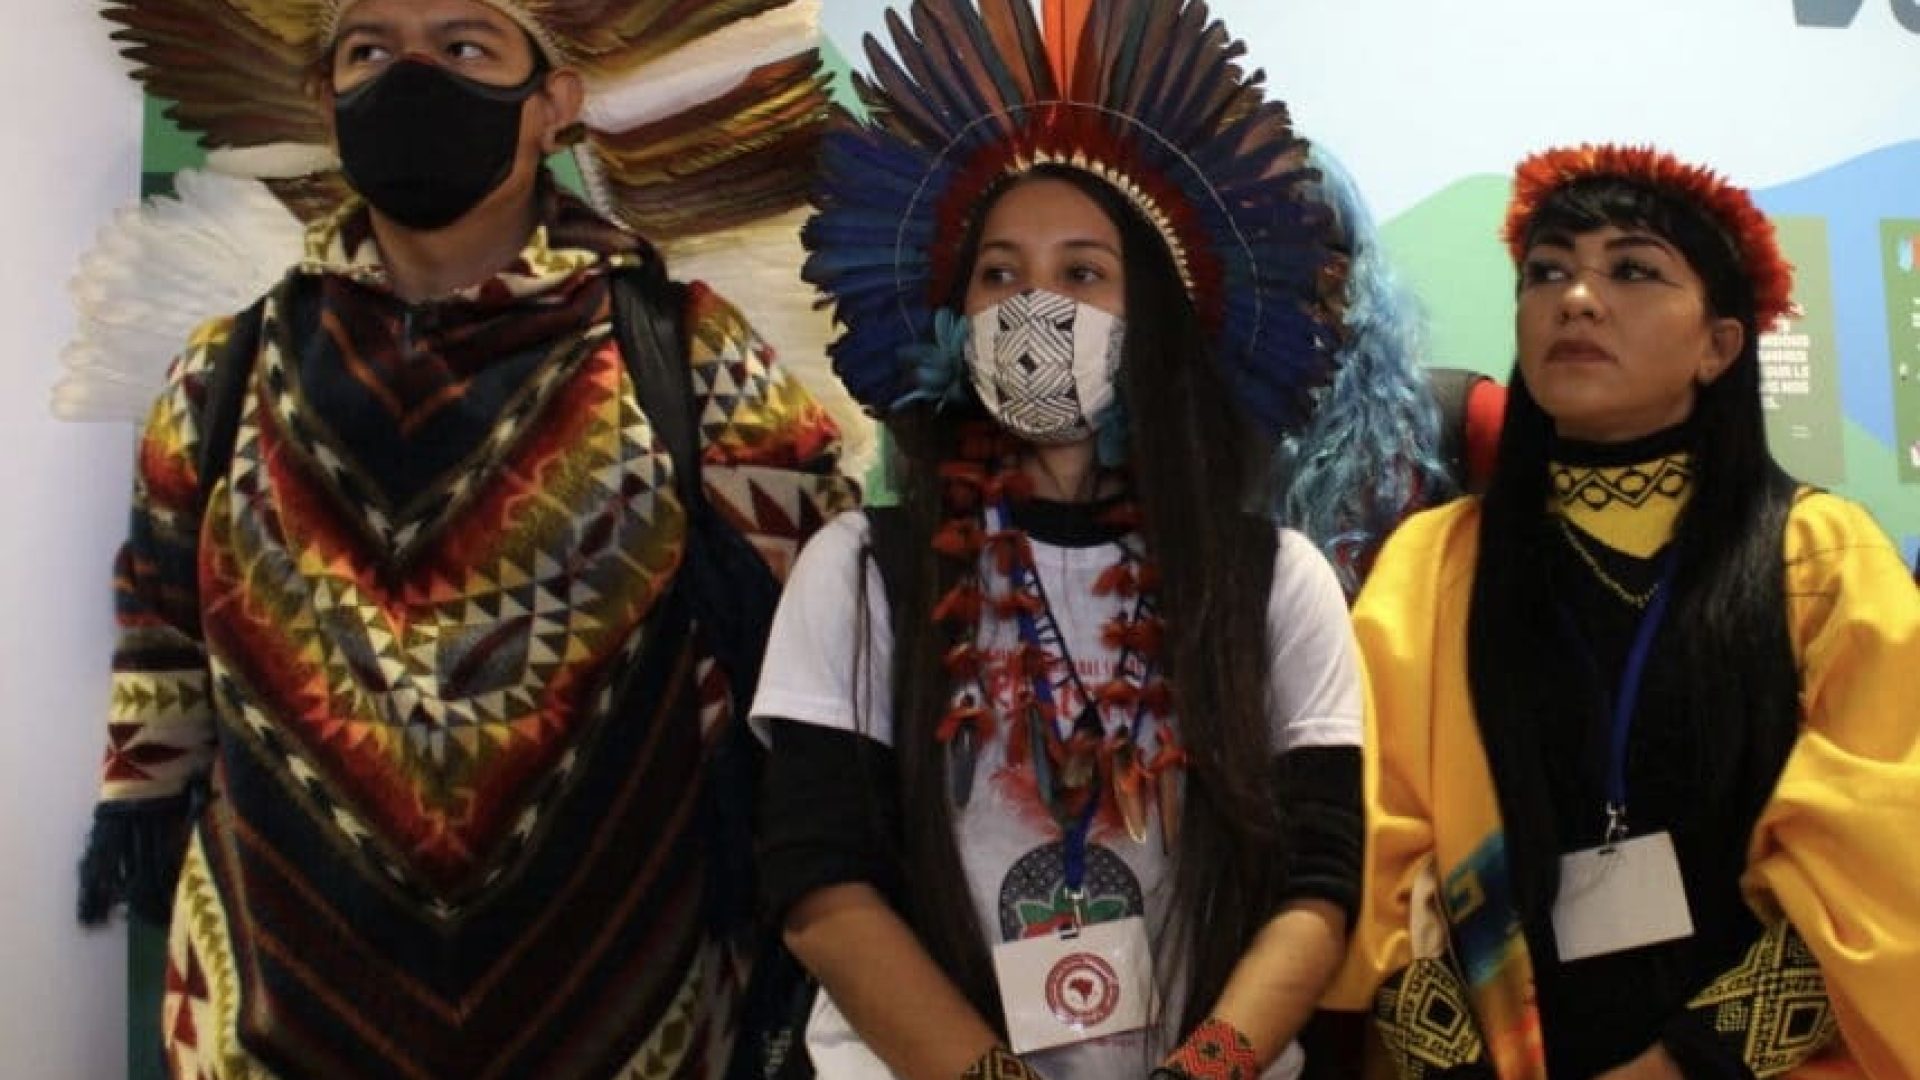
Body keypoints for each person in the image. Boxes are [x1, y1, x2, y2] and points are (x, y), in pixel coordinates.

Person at [74, 0, 856, 1076]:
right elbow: (162, 650)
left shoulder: (695, 357)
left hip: (627, 1016)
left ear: (553, 104)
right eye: (369, 50)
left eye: (464, 45)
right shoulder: (223, 374)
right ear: (326, 98)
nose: (412, 74)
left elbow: (810, 669)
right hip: (271, 1025)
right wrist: (142, 804)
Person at [751, 1, 1366, 1077]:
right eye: (999, 274)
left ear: (1156, 321)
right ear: (956, 317)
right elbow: (820, 888)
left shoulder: (1273, 581)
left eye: (1082, 273)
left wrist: (1207, 1068)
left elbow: (1320, 884)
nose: (1034, 307)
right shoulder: (858, 571)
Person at [1329, 144, 1920, 1078]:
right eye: (1547, 271)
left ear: (1719, 343)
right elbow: (1384, 863)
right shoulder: (1432, 567)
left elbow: (1885, 873)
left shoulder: (1825, 559)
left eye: (1633, 270)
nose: (1575, 298)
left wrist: (1679, 1066)